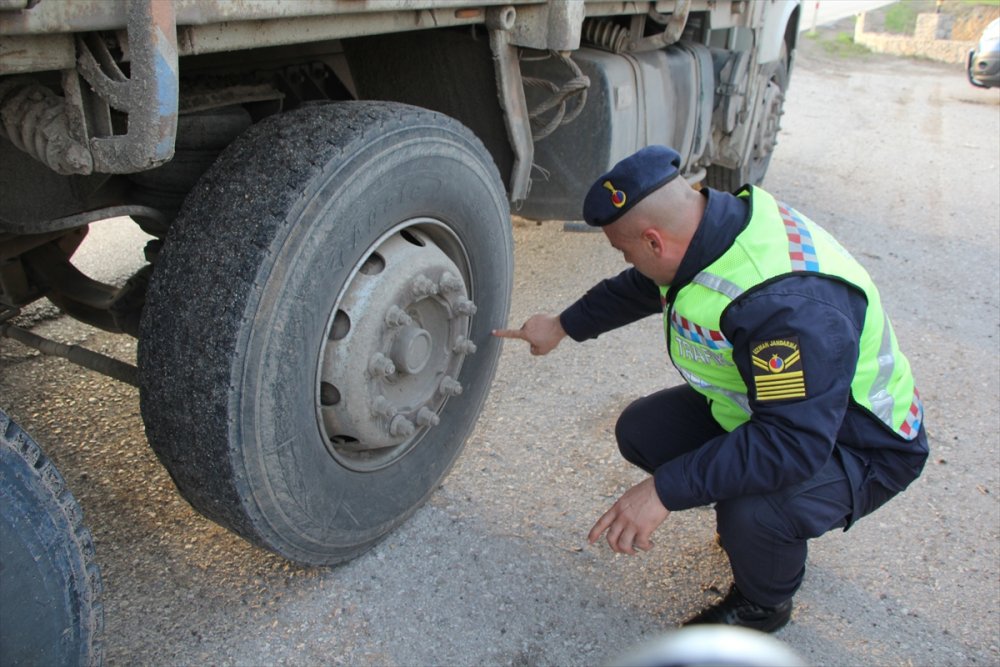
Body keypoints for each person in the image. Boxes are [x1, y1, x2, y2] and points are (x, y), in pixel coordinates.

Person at [493, 145, 928, 632]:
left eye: (626, 248)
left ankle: (764, 605)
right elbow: (644, 286)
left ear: (655, 242)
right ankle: (753, 519)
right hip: (786, 412)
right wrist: (562, 325)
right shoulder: (708, 230)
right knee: (642, 430)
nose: (627, 259)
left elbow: (793, 444)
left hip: (861, 442)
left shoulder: (786, 308)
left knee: (755, 511)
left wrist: (663, 490)